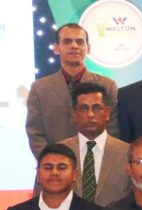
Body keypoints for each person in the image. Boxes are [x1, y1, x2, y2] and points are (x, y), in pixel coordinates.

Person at [26, 23, 118, 158]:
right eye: (67, 41)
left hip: (96, 166)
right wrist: (52, 162)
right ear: (56, 48)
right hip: (54, 170)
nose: (74, 46)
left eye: (80, 42)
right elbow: (35, 132)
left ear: (88, 48)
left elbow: (113, 130)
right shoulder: (39, 88)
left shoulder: (107, 85)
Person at [58, 82, 132, 207]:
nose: (90, 114)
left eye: (96, 108)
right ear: (74, 114)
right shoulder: (59, 152)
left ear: (107, 113)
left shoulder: (128, 153)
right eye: (83, 108)